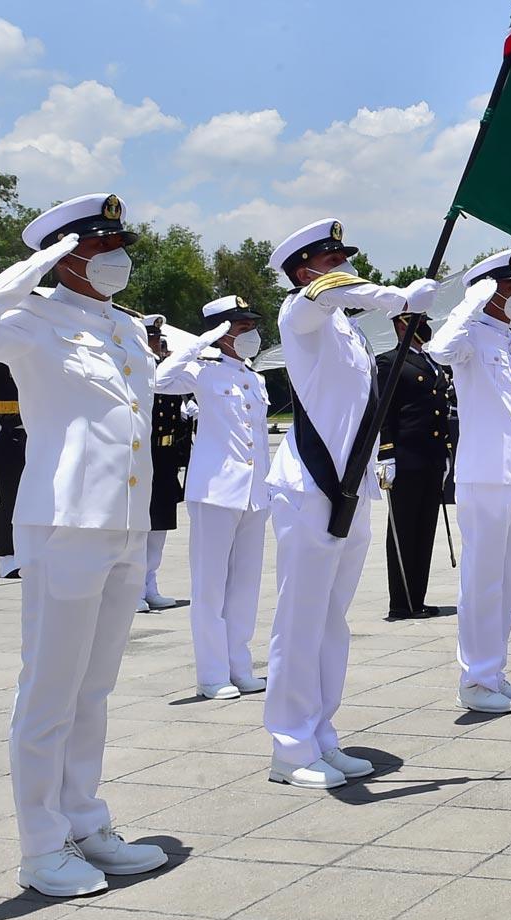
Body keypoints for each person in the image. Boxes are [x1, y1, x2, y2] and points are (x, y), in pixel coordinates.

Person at [0, 192, 168, 896]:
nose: (116, 258)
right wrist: (28, 268)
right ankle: (41, 847)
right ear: (65, 255)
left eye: (117, 244)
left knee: (92, 689)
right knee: (49, 689)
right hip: (64, 521)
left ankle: (84, 821)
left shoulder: (123, 327)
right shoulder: (28, 319)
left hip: (125, 519)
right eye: (101, 246)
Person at [263, 218, 437, 788]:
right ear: (305, 270)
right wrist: (395, 295)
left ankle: (320, 734)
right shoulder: (301, 312)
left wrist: (402, 313)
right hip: (311, 483)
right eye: (332, 260)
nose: (342, 267)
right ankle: (289, 746)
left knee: (330, 622)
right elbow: (330, 293)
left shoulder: (345, 330)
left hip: (350, 485)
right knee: (300, 619)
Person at [427, 251, 511, 714]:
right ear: (489, 291)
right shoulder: (469, 334)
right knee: (481, 580)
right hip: (484, 473)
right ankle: (473, 680)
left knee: (508, 579)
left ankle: (493, 670)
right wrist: (470, 301)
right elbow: (438, 349)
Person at [153, 295, 270, 700]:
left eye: (251, 325)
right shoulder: (200, 371)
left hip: (254, 493)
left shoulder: (257, 378)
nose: (250, 333)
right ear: (221, 332)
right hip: (216, 491)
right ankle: (212, 675)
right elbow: (159, 379)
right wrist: (201, 342)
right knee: (210, 587)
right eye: (241, 327)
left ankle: (240, 666)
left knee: (245, 587)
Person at [376, 308, 451, 620]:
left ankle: (417, 597)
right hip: (405, 457)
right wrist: (386, 453)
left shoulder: (432, 361)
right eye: (418, 323)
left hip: (431, 456)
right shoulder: (389, 362)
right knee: (404, 530)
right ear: (400, 324)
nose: (424, 328)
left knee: (425, 530)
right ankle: (401, 601)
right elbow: (385, 411)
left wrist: (446, 450)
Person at [140, 315, 188, 612]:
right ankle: (131, 588)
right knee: (137, 527)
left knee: (159, 525)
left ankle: (150, 584)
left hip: (165, 456)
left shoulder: (164, 372)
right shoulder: (131, 372)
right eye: (153, 338)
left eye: (159, 339)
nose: (159, 344)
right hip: (139, 455)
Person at [0, 361, 26, 577]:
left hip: (37, 440)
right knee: (10, 499)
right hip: (13, 441)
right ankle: (7, 556)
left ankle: (30, 553)